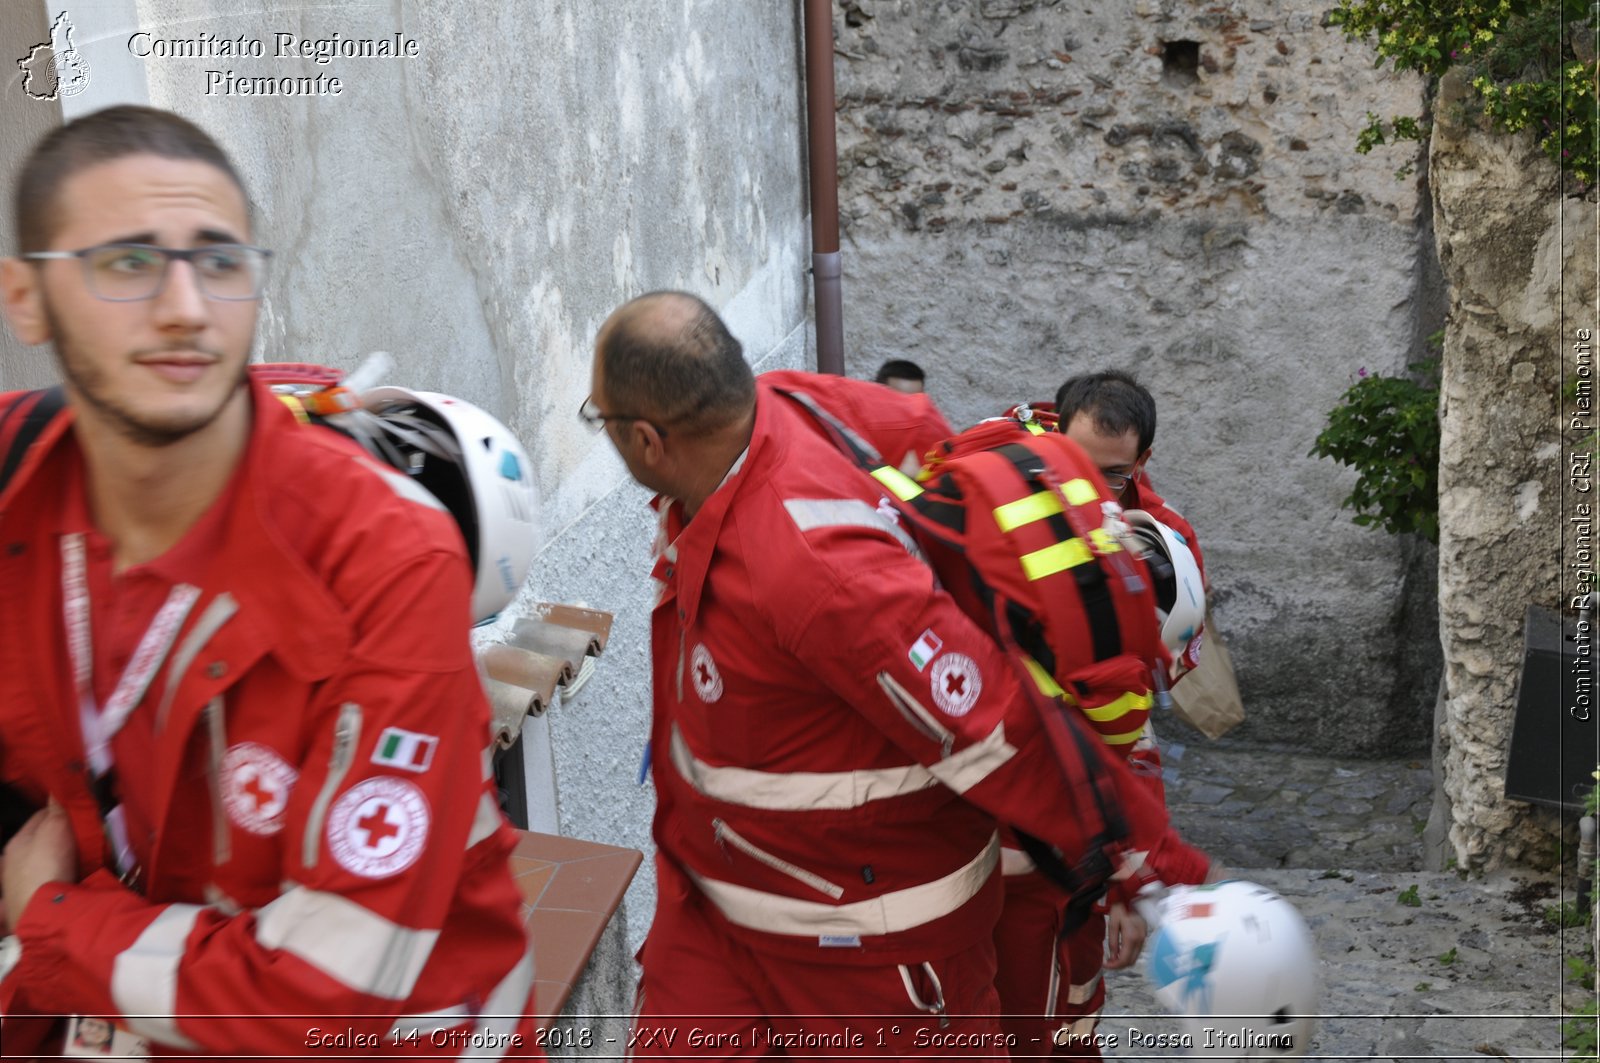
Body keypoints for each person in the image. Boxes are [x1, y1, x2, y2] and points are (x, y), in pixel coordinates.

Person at [0, 106, 536, 1056]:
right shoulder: (19, 485)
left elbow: (323, 991)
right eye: (126, 263)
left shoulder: (382, 561)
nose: (185, 307)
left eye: (219, 262)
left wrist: (49, 917)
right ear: (27, 298)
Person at [585, 291, 1211, 1059]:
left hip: (872, 951)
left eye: (600, 419)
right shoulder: (784, 403)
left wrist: (1146, 867)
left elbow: (992, 726)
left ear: (647, 440)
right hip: (719, 910)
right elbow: (919, 431)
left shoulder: (820, 573)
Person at [993, 368, 1212, 1056]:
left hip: (1078, 830)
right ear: (1054, 440)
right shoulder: (998, 506)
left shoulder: (1165, 548)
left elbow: (1130, 722)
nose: (1090, 493)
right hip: (983, 812)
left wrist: (1130, 880)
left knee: (1069, 1004)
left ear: (1143, 462)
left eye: (1113, 476)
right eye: (1077, 469)